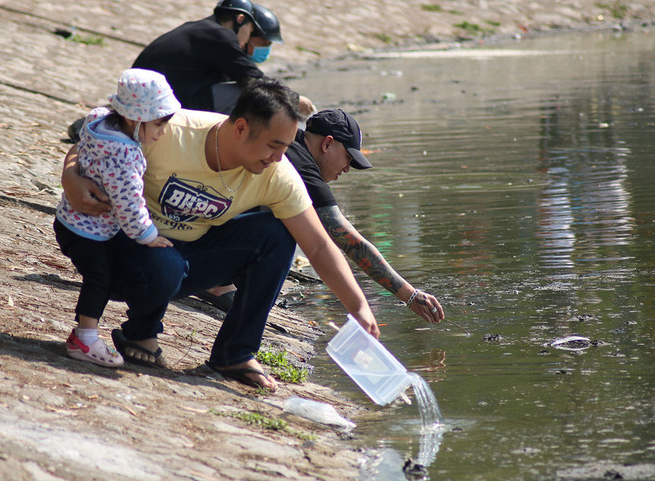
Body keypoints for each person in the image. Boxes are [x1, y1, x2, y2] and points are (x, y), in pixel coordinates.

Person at [61, 78, 440, 391]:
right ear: (241, 127)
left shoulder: (278, 174)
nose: (279, 157)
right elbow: (92, 138)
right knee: (165, 263)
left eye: (286, 146)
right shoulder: (172, 130)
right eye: (274, 145)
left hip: (186, 256)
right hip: (126, 252)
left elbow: (321, 244)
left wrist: (358, 307)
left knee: (277, 235)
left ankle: (235, 354)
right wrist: (71, 174)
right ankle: (141, 333)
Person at [201, 109, 446, 324]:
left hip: (201, 224)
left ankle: (224, 279)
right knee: (288, 230)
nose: (347, 168)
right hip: (206, 241)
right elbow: (350, 241)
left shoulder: (291, 142)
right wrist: (410, 295)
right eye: (348, 158)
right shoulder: (303, 168)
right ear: (327, 144)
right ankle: (218, 284)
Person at [54, 69, 180, 368]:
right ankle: (84, 338)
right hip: (88, 230)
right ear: (137, 120)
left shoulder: (98, 120)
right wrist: (148, 235)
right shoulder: (125, 156)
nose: (163, 132)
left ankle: (84, 333)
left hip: (70, 219)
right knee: (100, 278)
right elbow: (129, 204)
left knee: (102, 275)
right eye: (159, 124)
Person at [131, 0, 315, 116]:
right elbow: (252, 78)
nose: (246, 38)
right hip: (158, 102)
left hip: (153, 96)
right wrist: (293, 98)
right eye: (250, 31)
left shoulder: (204, 30)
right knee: (253, 95)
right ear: (241, 20)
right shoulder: (220, 35)